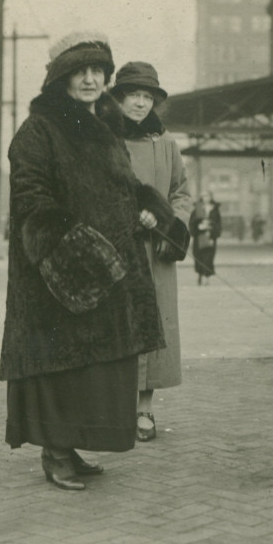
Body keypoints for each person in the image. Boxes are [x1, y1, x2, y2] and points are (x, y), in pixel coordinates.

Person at [0, 32, 176, 491]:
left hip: (107, 269)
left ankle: (70, 447)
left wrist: (147, 205)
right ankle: (55, 453)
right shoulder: (39, 130)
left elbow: (122, 185)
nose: (92, 79)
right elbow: (32, 199)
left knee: (94, 368)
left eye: (99, 71)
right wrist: (70, 251)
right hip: (61, 272)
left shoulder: (105, 126)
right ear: (61, 78)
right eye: (81, 72)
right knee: (62, 364)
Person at [111, 61, 193, 442]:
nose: (141, 104)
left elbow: (181, 193)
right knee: (115, 326)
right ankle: (113, 406)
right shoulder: (103, 141)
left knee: (154, 327)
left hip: (156, 255)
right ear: (119, 98)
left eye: (148, 96)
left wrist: (169, 223)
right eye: (134, 95)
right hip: (115, 251)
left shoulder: (167, 145)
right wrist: (130, 215)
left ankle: (144, 408)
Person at [190, 191, 222, 285]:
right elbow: (192, 223)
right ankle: (200, 275)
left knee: (208, 257)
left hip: (210, 236)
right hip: (199, 236)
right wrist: (198, 227)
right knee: (199, 256)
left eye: (207, 196)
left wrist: (212, 230)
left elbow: (218, 223)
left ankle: (207, 277)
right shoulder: (197, 209)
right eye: (204, 196)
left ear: (211, 197)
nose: (206, 198)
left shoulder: (215, 209)